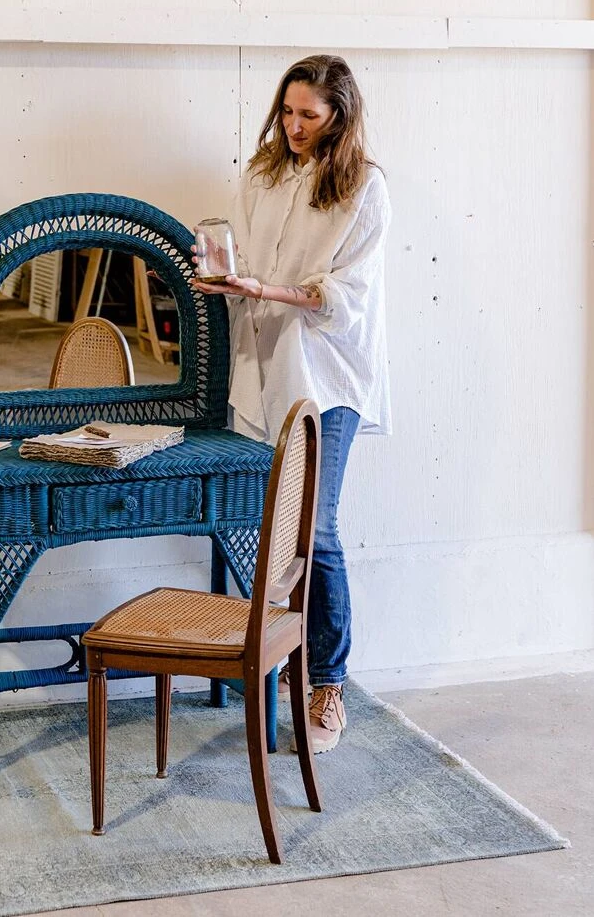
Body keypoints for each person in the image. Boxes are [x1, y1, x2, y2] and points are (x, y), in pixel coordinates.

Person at [193, 54, 391, 754]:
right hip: (262, 375)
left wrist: (264, 291)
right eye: (288, 111)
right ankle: (288, 662)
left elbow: (345, 298)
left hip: (327, 380)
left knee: (317, 530)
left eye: (311, 114)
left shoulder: (364, 189)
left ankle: (328, 683)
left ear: (340, 114)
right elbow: (242, 258)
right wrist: (223, 276)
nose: (296, 125)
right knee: (273, 533)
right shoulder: (260, 175)